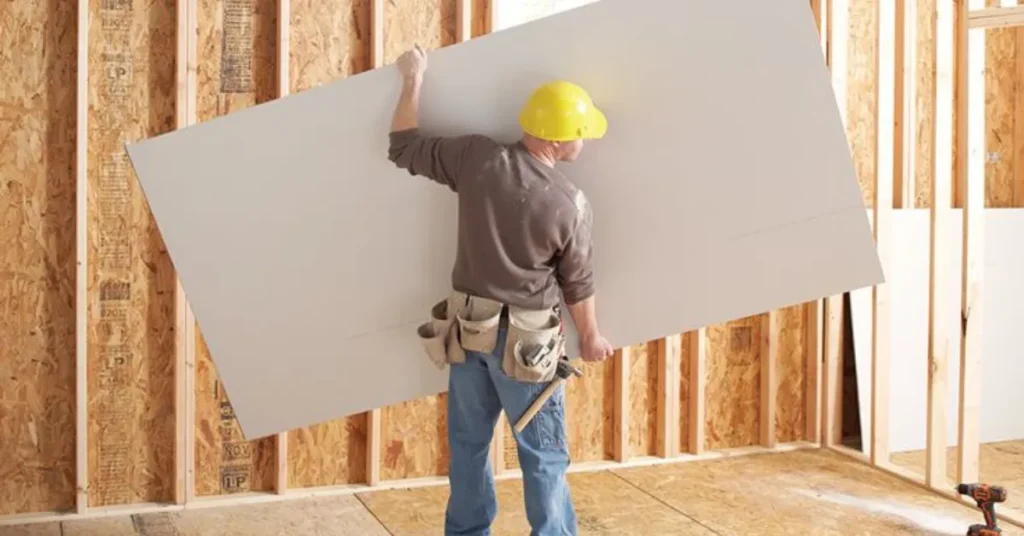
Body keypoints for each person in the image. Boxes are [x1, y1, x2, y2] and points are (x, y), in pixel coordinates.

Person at [386, 44, 614, 536]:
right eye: (581, 134)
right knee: (543, 455)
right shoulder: (569, 204)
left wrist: (413, 78)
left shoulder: (477, 158)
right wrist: (591, 336)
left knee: (468, 446)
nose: (585, 142)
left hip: (469, 336)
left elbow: (403, 146)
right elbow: (578, 282)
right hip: (525, 350)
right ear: (559, 140)